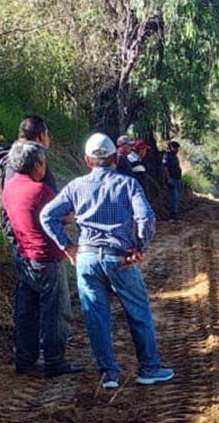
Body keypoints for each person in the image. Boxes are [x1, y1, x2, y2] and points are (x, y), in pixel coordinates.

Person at [40, 133, 174, 389]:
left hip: (87, 258)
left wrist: (67, 246)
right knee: (138, 312)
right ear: (115, 159)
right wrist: (140, 247)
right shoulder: (128, 185)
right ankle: (149, 368)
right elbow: (146, 218)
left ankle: (109, 374)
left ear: (87, 161)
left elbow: (47, 215)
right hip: (119, 258)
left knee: (96, 317)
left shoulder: (75, 187)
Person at [1, 141, 82, 378]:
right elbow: (63, 216)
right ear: (37, 165)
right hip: (47, 258)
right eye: (44, 162)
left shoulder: (9, 188)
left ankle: (25, 358)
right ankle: (55, 361)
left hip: (24, 257)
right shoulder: (40, 191)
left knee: (27, 310)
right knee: (55, 311)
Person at [0, 116, 57, 254]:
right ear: (41, 136)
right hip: (36, 240)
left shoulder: (10, 157)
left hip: (18, 232)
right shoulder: (34, 160)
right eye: (47, 134)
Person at [163, 140, 182, 220]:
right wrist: (168, 179)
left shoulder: (175, 157)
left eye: (177, 148)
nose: (177, 149)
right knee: (174, 197)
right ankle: (173, 215)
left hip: (177, 179)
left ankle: (175, 213)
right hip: (172, 179)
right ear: (171, 147)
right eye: (175, 148)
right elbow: (165, 168)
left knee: (176, 197)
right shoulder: (167, 156)